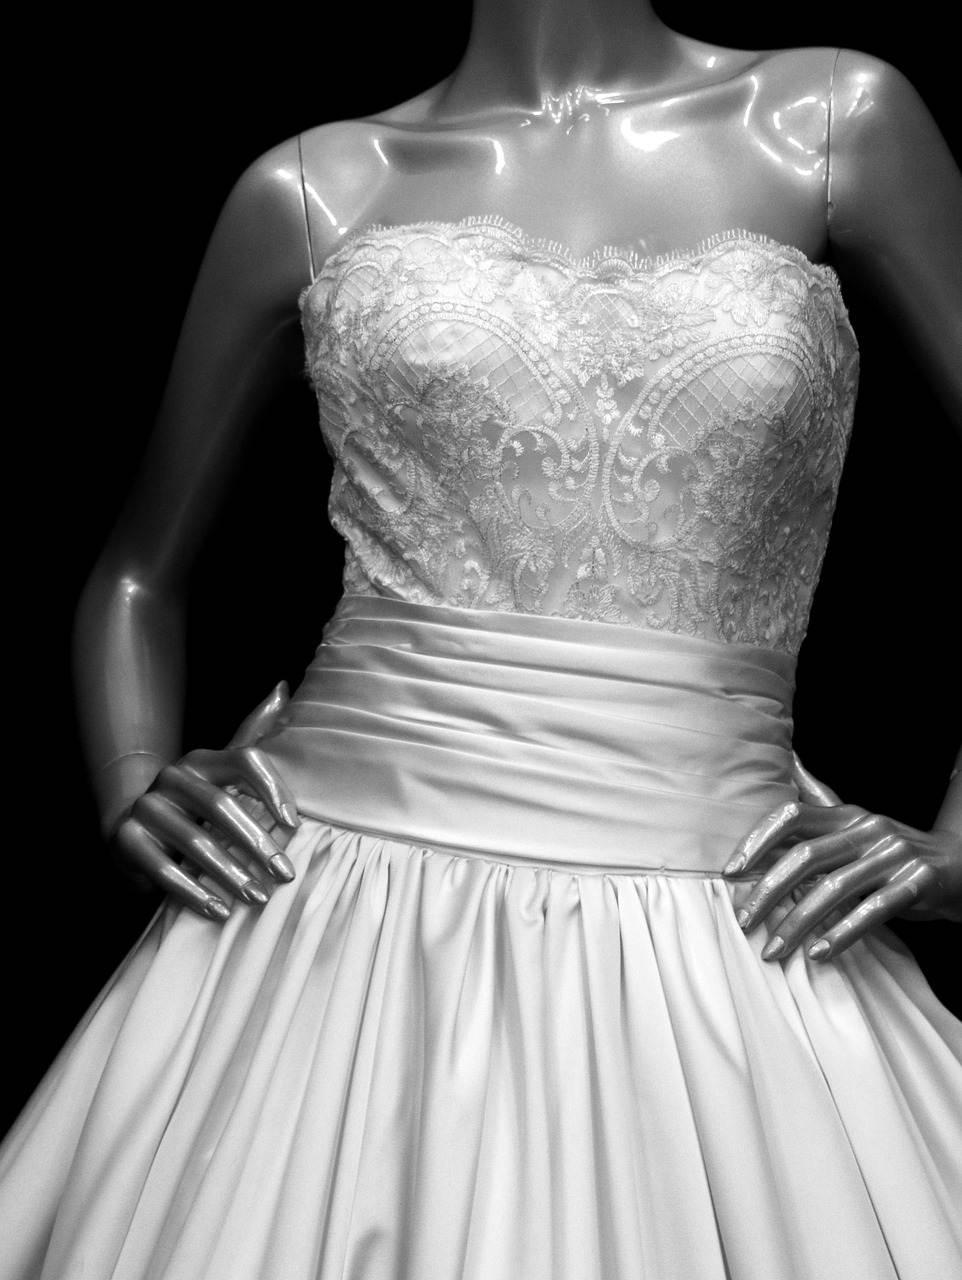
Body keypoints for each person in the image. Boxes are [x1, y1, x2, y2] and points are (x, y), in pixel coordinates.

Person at [2, 1, 961, 1276]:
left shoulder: (833, 122)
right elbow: (135, 574)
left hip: (721, 901)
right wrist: (131, 782)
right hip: (325, 904)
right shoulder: (314, 186)